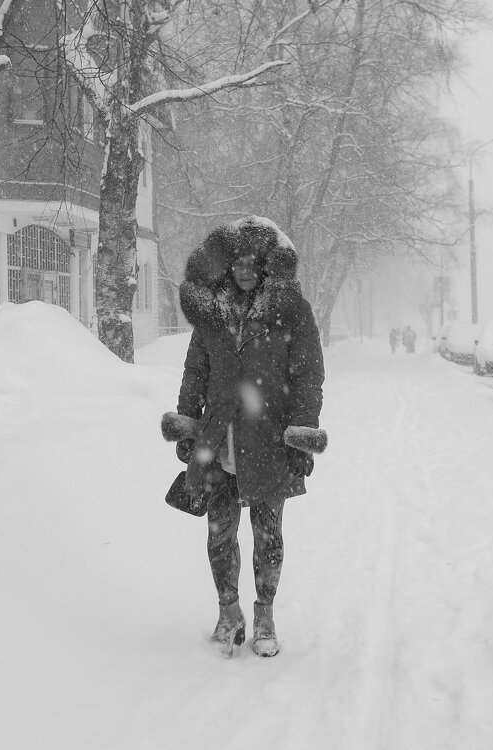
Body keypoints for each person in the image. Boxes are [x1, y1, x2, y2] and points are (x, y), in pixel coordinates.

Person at [161, 216, 327, 658]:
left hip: (269, 442)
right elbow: (195, 371)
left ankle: (266, 614)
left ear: (269, 265)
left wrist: (300, 432)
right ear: (227, 266)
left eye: (254, 262)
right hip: (218, 441)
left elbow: (308, 376)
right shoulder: (212, 313)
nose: (245, 270)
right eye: (238, 262)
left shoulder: (291, 311)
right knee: (220, 533)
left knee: (267, 534)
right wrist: (186, 421)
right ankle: (228, 611)